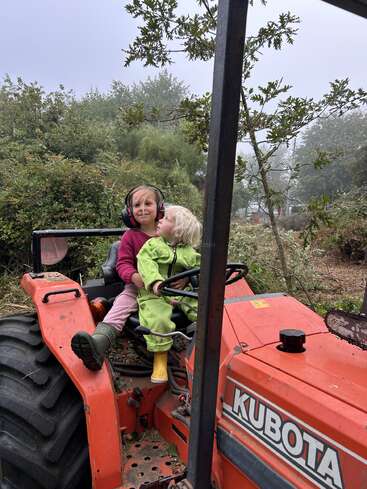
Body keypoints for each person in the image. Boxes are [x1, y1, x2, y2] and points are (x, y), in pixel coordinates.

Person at [71, 185, 165, 370]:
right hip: (138, 288)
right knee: (120, 308)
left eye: (148, 203)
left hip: (168, 288)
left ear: (160, 208)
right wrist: (134, 276)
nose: (143, 208)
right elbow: (122, 264)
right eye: (137, 205)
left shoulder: (168, 233)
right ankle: (98, 345)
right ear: (129, 212)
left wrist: (183, 280)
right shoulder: (130, 237)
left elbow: (185, 256)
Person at [137, 205, 201, 384]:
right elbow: (145, 263)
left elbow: (199, 267)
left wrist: (188, 281)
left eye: (165, 219)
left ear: (178, 230)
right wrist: (156, 282)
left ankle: (200, 341)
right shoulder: (152, 245)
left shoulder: (189, 252)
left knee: (202, 307)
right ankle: (160, 359)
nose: (159, 220)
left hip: (180, 293)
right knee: (159, 318)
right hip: (154, 294)